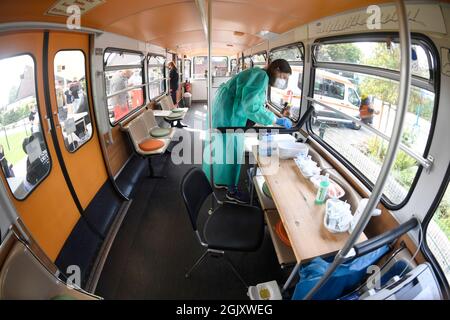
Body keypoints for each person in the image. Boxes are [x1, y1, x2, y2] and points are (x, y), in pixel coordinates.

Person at [202, 59, 293, 203]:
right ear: (276, 69)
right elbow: (250, 106)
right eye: (283, 77)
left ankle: (220, 180)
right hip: (228, 113)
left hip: (226, 109)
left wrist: (271, 117)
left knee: (223, 146)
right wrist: (275, 120)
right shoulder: (261, 77)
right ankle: (231, 191)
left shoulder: (258, 74)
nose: (283, 81)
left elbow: (253, 102)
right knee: (233, 148)